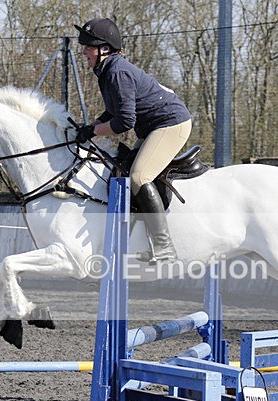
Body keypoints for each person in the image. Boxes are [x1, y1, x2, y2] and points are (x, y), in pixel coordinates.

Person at [74, 17, 192, 264]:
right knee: (124, 172)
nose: (83, 51)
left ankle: (164, 247)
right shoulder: (107, 71)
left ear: (104, 49)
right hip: (152, 127)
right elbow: (114, 111)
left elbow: (124, 122)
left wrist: (95, 132)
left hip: (170, 123)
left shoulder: (117, 72)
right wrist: (92, 125)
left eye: (88, 46)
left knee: (139, 177)